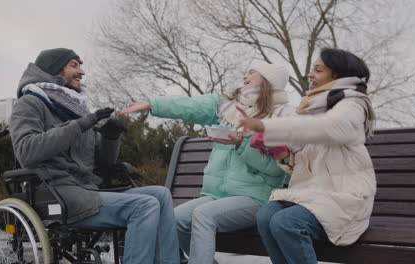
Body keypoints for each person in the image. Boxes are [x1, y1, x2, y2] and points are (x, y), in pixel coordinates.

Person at [9, 48, 180, 264]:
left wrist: (110, 137)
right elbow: (26, 151)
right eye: (74, 65)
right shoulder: (30, 103)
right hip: (57, 193)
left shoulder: (74, 106)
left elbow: (102, 163)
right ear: (54, 70)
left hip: (86, 189)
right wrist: (80, 125)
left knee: (161, 194)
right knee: (144, 206)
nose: (82, 71)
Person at [120, 62, 290, 264]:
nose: (245, 76)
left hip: (255, 197)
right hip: (217, 195)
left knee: (203, 215)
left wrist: (242, 143)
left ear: (270, 80)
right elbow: (189, 105)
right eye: (245, 73)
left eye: (252, 73)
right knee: (173, 220)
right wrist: (153, 104)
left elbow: (275, 170)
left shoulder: (280, 116)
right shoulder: (228, 107)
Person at [237, 48, 376, 264]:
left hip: (344, 197)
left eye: (318, 70)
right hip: (311, 195)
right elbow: (304, 159)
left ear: (337, 76)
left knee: (286, 222)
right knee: (266, 215)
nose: (310, 75)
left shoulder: (353, 105)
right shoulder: (311, 108)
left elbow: (332, 127)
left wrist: (268, 126)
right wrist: (282, 154)